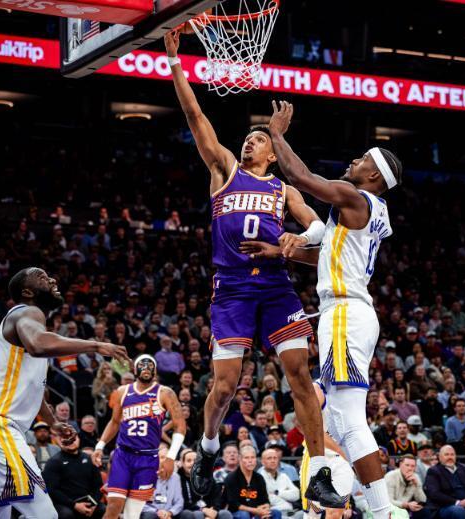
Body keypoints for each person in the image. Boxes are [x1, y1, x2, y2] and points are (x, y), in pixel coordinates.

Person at [164, 32, 343, 509]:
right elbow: (195, 117)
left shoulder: (284, 190)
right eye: (248, 137)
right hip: (233, 291)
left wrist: (293, 242)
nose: (250, 142)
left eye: (259, 139)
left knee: (300, 376)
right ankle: (206, 449)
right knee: (225, 387)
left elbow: (319, 231)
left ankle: (319, 472)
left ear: (272, 154)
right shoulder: (224, 170)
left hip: (277, 290)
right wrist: (176, 62)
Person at [239, 101, 403, 519]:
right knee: (338, 421)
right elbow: (326, 257)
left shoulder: (355, 196)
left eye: (362, 159)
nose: (354, 161)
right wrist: (280, 250)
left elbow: (300, 177)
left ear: (373, 176)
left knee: (349, 421)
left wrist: (278, 134)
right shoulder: (363, 211)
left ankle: (382, 511)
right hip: (348, 312)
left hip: (346, 313)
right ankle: (373, 504)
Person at [0, 267, 128, 518]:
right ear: (27, 292)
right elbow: (38, 345)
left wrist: (53, 423)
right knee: (45, 514)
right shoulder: (27, 312)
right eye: (41, 276)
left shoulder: (24, 331)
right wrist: (96, 345)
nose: (51, 279)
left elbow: (33, 389)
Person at [91, 354, 186, 519]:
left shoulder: (165, 393)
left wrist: (171, 457)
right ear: (135, 370)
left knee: (133, 513)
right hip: (123, 455)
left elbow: (180, 426)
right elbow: (114, 422)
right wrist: (100, 445)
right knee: (114, 505)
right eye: (142, 365)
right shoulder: (122, 391)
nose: (146, 368)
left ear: (155, 371)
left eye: (150, 366)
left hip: (148, 458)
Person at [300, 382, 355, 519]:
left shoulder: (354, 393)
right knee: (313, 515)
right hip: (318, 457)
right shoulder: (317, 389)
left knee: (336, 513)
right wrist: (342, 453)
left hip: (342, 461)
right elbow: (313, 429)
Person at [43, 433, 106, 518]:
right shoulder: (53, 462)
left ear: (78, 439)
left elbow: (98, 485)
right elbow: (52, 490)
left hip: (89, 502)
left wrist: (94, 504)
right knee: (66, 514)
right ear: (60, 441)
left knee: (104, 509)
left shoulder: (89, 458)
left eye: (73, 438)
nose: (70, 441)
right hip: (65, 504)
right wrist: (74, 505)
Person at [224, 445, 282, 519]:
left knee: (276, 513)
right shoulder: (231, 478)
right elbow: (234, 504)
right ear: (240, 459)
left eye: (253, 457)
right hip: (237, 513)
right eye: (246, 458)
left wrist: (265, 509)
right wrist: (255, 511)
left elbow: (265, 500)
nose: (250, 461)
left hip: (256, 512)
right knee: (244, 515)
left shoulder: (259, 478)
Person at [177, 449, 231, 519]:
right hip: (190, 511)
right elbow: (181, 503)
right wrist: (202, 510)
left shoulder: (207, 476)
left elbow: (216, 498)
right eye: (189, 461)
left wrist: (213, 510)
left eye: (195, 460)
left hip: (209, 511)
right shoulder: (178, 479)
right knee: (198, 514)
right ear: (183, 464)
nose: (193, 463)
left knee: (225, 514)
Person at [141, 448, 185, 519]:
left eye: (167, 458)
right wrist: (158, 512)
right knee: (149, 516)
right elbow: (140, 502)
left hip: (169, 514)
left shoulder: (175, 477)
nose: (164, 461)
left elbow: (179, 502)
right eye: (161, 457)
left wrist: (170, 512)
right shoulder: (146, 475)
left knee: (186, 514)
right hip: (152, 512)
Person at [258, 448, 300, 518]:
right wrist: (287, 496)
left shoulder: (284, 476)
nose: (273, 461)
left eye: (275, 458)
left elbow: (296, 494)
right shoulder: (259, 477)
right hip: (274, 513)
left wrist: (277, 493)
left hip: (292, 511)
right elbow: (268, 500)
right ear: (262, 462)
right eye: (269, 458)